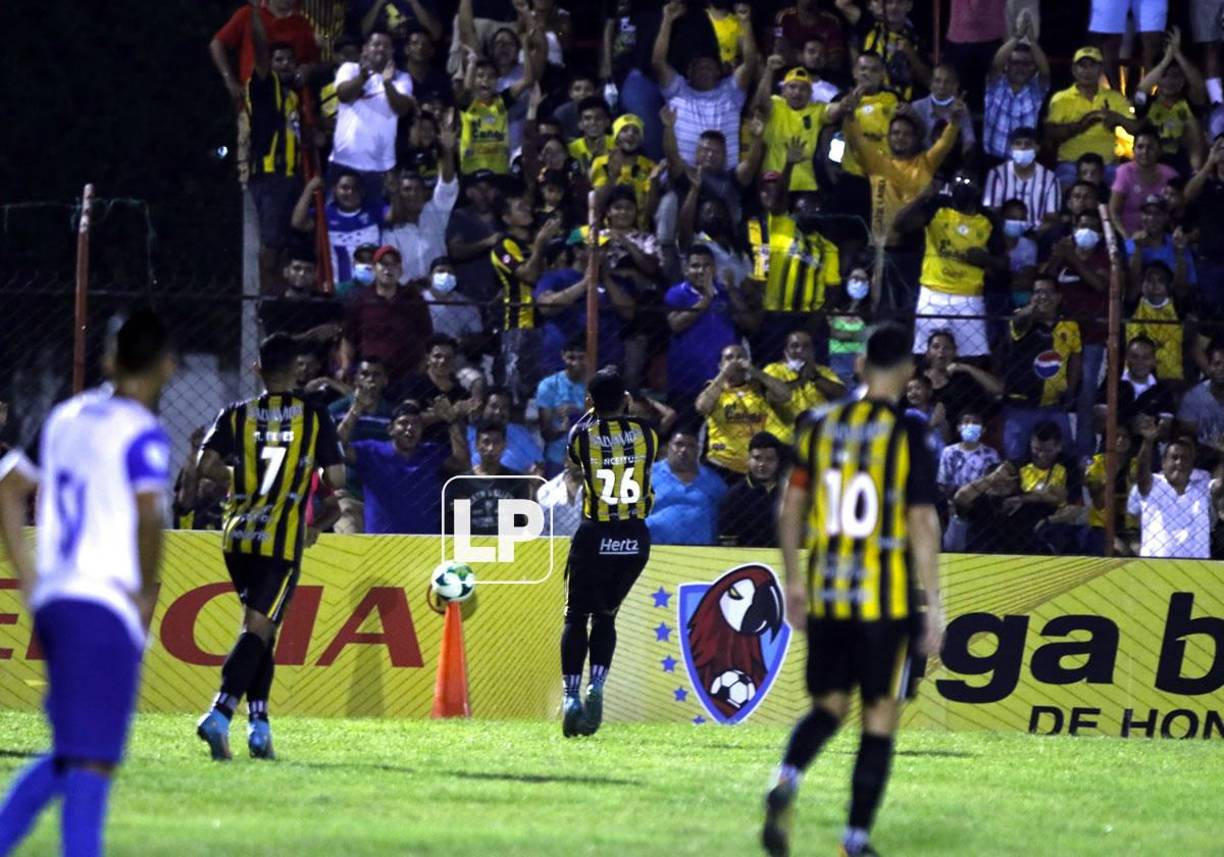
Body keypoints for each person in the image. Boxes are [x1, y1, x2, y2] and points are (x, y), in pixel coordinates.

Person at [762, 322, 943, 857]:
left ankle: (788, 776)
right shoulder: (912, 432)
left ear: (859, 365)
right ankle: (854, 840)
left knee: (828, 707)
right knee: (879, 716)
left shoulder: (819, 422)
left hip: (826, 591)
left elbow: (790, 506)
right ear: (909, 371)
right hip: (882, 599)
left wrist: (793, 580)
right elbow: (921, 521)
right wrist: (933, 605)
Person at [0, 310, 175, 856]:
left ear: (107, 360)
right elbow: (148, 516)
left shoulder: (66, 415)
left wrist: (30, 578)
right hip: (102, 603)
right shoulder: (141, 431)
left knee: (72, 752)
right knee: (94, 758)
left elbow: (7, 487)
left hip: (58, 598)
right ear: (167, 367)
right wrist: (147, 594)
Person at [188, 334, 346, 761]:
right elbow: (337, 478)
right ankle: (219, 713)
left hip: (237, 535)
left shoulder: (236, 414)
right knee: (258, 630)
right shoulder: (313, 417)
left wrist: (244, 479)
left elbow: (205, 467)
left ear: (256, 368)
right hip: (281, 539)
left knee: (261, 628)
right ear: (297, 369)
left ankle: (259, 726)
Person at [560, 367, 657, 737]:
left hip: (595, 534)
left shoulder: (582, 436)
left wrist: (591, 409)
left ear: (590, 402)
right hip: (634, 539)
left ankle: (571, 696)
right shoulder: (647, 434)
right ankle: (596, 685)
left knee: (575, 617)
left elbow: (573, 453)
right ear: (626, 399)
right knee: (606, 617)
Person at [898, 170, 1009, 358]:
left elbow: (1004, 263)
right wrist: (921, 198)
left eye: (968, 181)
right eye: (958, 180)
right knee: (924, 353)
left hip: (968, 297)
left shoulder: (988, 220)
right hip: (932, 294)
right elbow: (900, 226)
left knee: (973, 356)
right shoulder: (937, 207)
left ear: (979, 188)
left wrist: (985, 260)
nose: (963, 185)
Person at [340, 397, 469, 534]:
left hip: (425, 545)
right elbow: (336, 447)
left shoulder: (432, 452)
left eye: (416, 424)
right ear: (390, 429)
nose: (410, 428)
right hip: (380, 545)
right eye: (403, 423)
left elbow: (462, 463)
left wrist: (452, 421)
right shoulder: (370, 450)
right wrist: (355, 409)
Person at [653, 1, 755, 167]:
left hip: (725, 182)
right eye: (698, 66)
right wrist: (667, 20)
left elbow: (750, 64)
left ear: (719, 72)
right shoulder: (678, 89)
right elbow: (658, 62)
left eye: (709, 65)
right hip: (683, 177)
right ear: (688, 73)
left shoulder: (730, 92)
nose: (703, 68)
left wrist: (745, 23)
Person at [1000, 276, 1082, 461]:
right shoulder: (1021, 319)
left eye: (1047, 292)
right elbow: (1019, 321)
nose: (1042, 296)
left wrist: (1071, 390)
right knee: (1015, 458)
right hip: (1020, 406)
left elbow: (1075, 359)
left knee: (1067, 455)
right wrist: (1033, 309)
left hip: (1055, 405)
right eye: (1037, 292)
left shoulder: (1070, 326)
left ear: (1058, 297)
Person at [330, 29, 416, 204]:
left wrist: (387, 83)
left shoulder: (402, 78)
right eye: (376, 44)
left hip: (380, 168)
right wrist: (363, 77)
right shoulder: (350, 69)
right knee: (336, 224)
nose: (380, 49)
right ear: (365, 49)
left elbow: (402, 109)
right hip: (343, 162)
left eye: (386, 46)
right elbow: (343, 95)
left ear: (392, 52)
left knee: (375, 225)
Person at [1044, 46, 1138, 189]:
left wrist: (1116, 117)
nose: (1087, 71)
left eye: (1092, 66)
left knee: (1124, 189)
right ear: (1074, 70)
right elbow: (1051, 132)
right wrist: (1085, 122)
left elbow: (1136, 128)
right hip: (1071, 162)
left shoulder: (1115, 97)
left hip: (1107, 164)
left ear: (1100, 70)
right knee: (1062, 187)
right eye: (1082, 66)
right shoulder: (1061, 98)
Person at [380, 116, 460, 283]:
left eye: (418, 189)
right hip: (406, 297)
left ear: (425, 193)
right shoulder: (391, 228)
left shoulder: (436, 211)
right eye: (407, 189)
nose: (413, 194)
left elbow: (447, 184)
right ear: (398, 193)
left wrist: (447, 151)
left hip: (440, 292)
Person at [339, 245, 434, 384]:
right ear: (374, 268)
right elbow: (348, 339)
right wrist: (346, 367)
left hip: (407, 376)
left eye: (393, 264)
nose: (388, 268)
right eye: (383, 263)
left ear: (400, 270)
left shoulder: (413, 299)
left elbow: (426, 336)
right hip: (370, 377)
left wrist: (421, 369)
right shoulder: (361, 300)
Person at [1127, 423, 1223, 558]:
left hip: (1197, 567)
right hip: (1155, 566)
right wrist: (1148, 441)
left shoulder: (1202, 487)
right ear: (1163, 463)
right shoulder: (1154, 483)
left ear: (1192, 465)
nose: (1179, 462)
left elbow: (1220, 485)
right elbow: (1141, 473)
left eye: (1185, 459)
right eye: (1174, 457)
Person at [697, 344, 792, 477]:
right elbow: (701, 406)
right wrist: (724, 374)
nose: (735, 362)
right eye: (729, 358)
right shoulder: (715, 388)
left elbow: (786, 395)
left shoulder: (757, 387)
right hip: (721, 465)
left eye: (740, 357)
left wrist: (756, 372)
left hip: (757, 465)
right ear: (720, 364)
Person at [646, 426, 728, 546]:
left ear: (698, 450)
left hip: (702, 552)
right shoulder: (647, 476)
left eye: (690, 446)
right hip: (654, 550)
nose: (684, 450)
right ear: (668, 447)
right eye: (678, 444)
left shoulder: (713, 480)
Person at [982, 24, 1050, 161]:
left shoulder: (1036, 89)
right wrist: (1017, 36)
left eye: (1026, 64)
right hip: (991, 159)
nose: (1020, 68)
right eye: (1015, 62)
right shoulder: (995, 84)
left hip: (1023, 160)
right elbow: (996, 64)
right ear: (1007, 65)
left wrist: (1032, 41)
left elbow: (1045, 71)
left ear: (1033, 67)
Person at [937, 409, 1002, 551]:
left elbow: (995, 484)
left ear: (983, 429)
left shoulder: (991, 454)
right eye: (966, 422)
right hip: (953, 503)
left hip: (981, 504)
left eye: (976, 423)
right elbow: (943, 483)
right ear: (958, 427)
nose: (971, 425)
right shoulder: (949, 452)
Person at [982, 127, 1061, 230]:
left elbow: (1052, 218)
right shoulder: (997, 174)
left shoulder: (1050, 178)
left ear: (1037, 148)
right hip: (1003, 233)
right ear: (1011, 148)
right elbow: (991, 212)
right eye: (1018, 143)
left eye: (1028, 144)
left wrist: (1035, 235)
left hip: (1037, 234)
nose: (1023, 147)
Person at [764, 329, 848, 424]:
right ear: (785, 351)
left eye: (806, 346)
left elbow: (842, 395)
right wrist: (800, 380)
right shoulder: (773, 370)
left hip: (820, 427)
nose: (800, 350)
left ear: (812, 350)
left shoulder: (823, 370)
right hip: (788, 429)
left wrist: (814, 376)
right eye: (795, 346)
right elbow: (772, 396)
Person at [718, 431, 786, 547]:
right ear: (748, 459)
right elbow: (728, 542)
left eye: (769, 459)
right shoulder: (734, 496)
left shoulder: (789, 492)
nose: (762, 464)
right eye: (757, 458)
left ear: (779, 462)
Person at [536, 338, 587, 477]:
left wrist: (580, 414)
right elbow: (546, 433)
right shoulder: (548, 385)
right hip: (557, 458)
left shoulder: (597, 385)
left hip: (590, 456)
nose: (576, 363)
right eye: (571, 357)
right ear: (563, 355)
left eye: (581, 358)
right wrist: (563, 428)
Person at [466, 386, 543, 473]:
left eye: (504, 407)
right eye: (493, 406)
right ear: (483, 408)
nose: (498, 411)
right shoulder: (468, 433)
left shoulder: (519, 432)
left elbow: (539, 462)